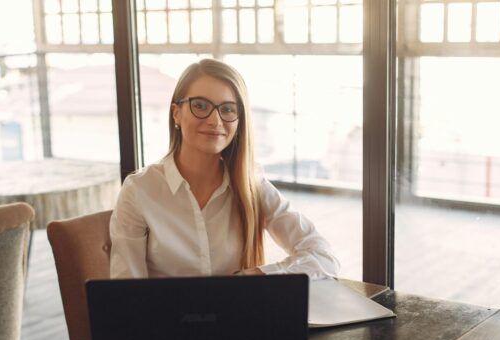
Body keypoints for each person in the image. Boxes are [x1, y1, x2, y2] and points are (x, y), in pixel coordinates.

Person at [110, 58, 339, 279]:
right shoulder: (139, 190)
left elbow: (323, 256)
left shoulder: (251, 186)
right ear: (176, 113)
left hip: (239, 317)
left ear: (239, 122)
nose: (215, 121)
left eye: (228, 109)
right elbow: (124, 295)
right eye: (200, 106)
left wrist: (256, 275)